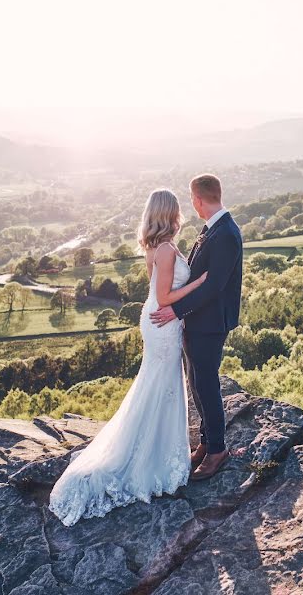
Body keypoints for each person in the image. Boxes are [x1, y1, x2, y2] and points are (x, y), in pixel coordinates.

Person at [48, 189, 207, 526]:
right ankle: (152, 460)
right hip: (162, 322)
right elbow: (164, 296)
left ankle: (161, 454)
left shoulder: (159, 246)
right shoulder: (164, 250)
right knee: (159, 387)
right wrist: (200, 283)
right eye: (177, 210)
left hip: (160, 321)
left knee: (160, 387)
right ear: (170, 214)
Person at [150, 174, 243, 480]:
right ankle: (206, 441)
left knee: (206, 385)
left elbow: (214, 286)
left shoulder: (227, 233)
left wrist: (175, 310)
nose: (192, 204)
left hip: (211, 323)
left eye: (193, 199)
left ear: (199, 199)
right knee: (196, 383)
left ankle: (217, 450)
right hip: (197, 320)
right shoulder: (212, 229)